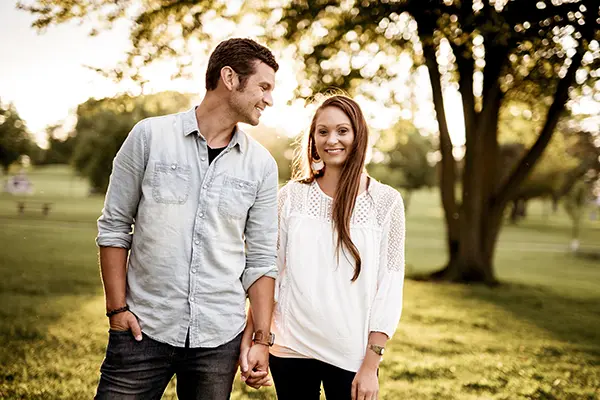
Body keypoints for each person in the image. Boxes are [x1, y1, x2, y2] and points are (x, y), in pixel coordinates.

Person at [95, 38, 280, 399]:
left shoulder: (262, 166)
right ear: (229, 78)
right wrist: (117, 310)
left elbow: (261, 259)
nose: (269, 99)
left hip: (218, 339)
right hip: (142, 329)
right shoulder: (149, 137)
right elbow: (115, 227)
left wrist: (262, 340)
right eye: (264, 86)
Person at [240, 95, 406, 400]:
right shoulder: (291, 197)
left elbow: (390, 287)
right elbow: (269, 272)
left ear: (358, 136)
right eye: (323, 131)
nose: (332, 140)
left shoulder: (385, 202)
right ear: (313, 139)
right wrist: (256, 341)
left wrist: (371, 365)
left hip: (351, 354)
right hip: (290, 347)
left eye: (343, 131)